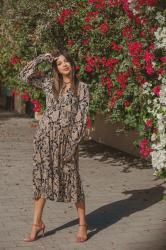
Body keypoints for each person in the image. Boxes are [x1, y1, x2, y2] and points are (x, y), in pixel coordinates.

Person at [18, 50, 90, 243]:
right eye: (59, 63)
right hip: (44, 140)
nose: (64, 65)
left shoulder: (82, 88)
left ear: (72, 65)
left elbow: (81, 120)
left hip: (66, 142)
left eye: (66, 61)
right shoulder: (50, 85)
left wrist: (72, 144)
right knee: (42, 180)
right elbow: (23, 76)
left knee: (73, 180)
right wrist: (43, 57)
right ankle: (36, 224)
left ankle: (83, 224)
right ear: (56, 68)